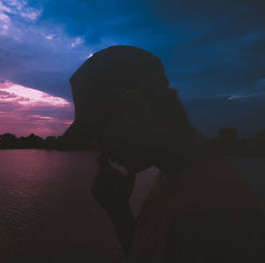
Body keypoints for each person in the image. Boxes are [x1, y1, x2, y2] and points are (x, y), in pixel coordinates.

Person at [59, 45, 265, 262]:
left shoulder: (219, 216)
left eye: (100, 134)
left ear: (135, 107)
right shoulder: (173, 176)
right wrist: (119, 211)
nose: (102, 152)